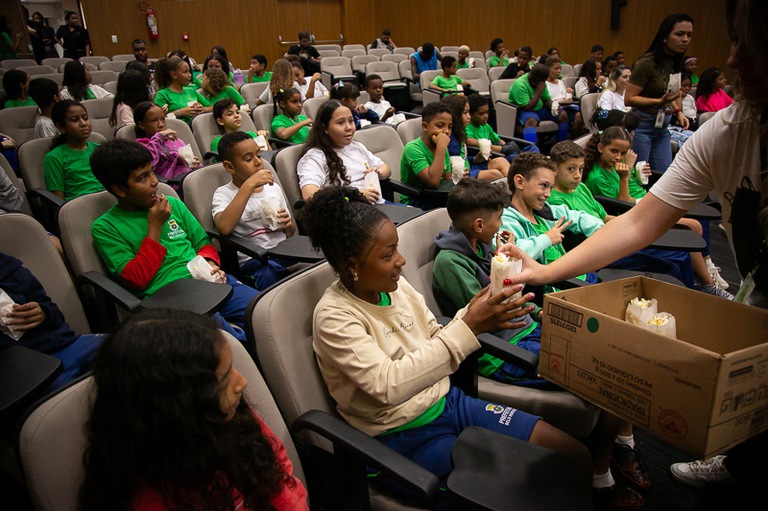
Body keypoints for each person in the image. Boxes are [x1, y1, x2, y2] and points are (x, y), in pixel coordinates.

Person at [499, 0, 767, 494]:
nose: (732, 60)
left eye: (755, 44)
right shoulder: (729, 131)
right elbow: (638, 223)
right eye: (734, 39)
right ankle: (740, 459)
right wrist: (542, 273)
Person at [301, 185, 592, 497]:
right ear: (351, 266)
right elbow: (387, 386)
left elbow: (435, 336)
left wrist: (477, 312)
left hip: (448, 403)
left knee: (575, 456)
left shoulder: (395, 288)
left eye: (397, 249)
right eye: (388, 255)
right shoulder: (335, 317)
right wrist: (468, 326)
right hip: (400, 434)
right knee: (525, 491)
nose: (401, 261)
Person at [78, 308, 308, 511]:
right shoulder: (153, 499)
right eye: (224, 378)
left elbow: (276, 466)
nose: (242, 383)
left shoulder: (232, 418)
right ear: (180, 406)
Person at [89, 140, 258, 343]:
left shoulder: (174, 204)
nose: (154, 182)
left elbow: (202, 243)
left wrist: (210, 263)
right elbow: (136, 278)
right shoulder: (105, 227)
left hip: (206, 281)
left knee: (261, 311)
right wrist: (155, 227)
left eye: (152, 172)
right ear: (120, 189)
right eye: (142, 178)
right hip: (169, 298)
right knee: (228, 339)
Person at [549, 140, 694, 288]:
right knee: (671, 267)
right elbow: (582, 238)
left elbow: (605, 217)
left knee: (681, 254)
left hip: (612, 236)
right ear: (554, 169)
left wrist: (631, 226)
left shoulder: (581, 188)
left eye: (581, 169)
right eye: (571, 169)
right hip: (600, 249)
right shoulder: (556, 202)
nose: (577, 176)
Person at [0, 252, 105, 392]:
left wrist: (43, 313)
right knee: (77, 395)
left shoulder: (10, 270)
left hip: (63, 345)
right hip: (21, 371)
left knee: (129, 350)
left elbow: (55, 314)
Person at [500, 153, 600, 289]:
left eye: (551, 188)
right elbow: (511, 254)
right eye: (543, 185)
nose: (548, 194)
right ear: (520, 182)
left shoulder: (546, 212)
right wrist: (546, 239)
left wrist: (602, 231)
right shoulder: (506, 220)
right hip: (563, 287)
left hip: (580, 275)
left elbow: (579, 217)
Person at [213, 131, 295, 290]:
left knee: (318, 255)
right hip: (253, 260)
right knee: (270, 275)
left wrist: (287, 224)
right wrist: (249, 185)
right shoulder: (224, 193)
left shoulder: (273, 188)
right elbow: (224, 227)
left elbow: (290, 232)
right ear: (230, 166)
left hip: (282, 252)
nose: (258, 162)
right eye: (248, 159)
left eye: (259, 155)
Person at [626, 13, 693, 172]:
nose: (685, 39)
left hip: (662, 126)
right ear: (664, 37)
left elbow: (666, 95)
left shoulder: (674, 61)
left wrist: (678, 113)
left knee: (663, 176)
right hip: (643, 126)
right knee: (639, 178)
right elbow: (629, 99)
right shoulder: (646, 64)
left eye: (689, 35)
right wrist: (658, 102)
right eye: (679, 34)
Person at [297, 99, 389, 203]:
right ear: (324, 128)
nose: (349, 127)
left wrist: (378, 173)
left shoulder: (356, 146)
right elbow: (309, 194)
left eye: (351, 121)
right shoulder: (315, 156)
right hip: (348, 211)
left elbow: (386, 168)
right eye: (340, 123)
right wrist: (355, 195)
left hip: (376, 204)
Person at [43, 100, 103, 201]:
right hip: (80, 206)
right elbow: (58, 200)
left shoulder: (99, 149)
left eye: (85, 118)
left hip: (107, 201)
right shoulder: (54, 157)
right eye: (75, 120)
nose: (83, 123)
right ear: (61, 127)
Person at [399, 101, 454, 209]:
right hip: (415, 200)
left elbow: (447, 178)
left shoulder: (440, 146)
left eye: (450, 127)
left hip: (436, 195)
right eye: (440, 126)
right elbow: (432, 181)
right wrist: (441, 147)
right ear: (425, 126)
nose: (446, 131)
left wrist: (459, 175)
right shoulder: (413, 148)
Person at [442, 94, 508, 180]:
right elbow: (448, 165)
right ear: (455, 115)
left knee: (501, 161)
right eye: (465, 113)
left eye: (469, 112)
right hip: (460, 175)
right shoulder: (448, 136)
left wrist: (475, 159)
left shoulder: (460, 131)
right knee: (495, 175)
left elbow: (463, 159)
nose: (469, 117)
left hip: (470, 167)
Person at [133, 102, 199, 182]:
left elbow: (190, 163)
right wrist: (158, 138)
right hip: (171, 185)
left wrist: (194, 163)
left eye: (163, 119)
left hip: (189, 178)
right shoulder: (140, 147)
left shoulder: (175, 141)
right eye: (154, 121)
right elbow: (149, 166)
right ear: (141, 125)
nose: (161, 125)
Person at [508, 63, 570, 145]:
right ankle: (531, 151)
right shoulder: (519, 85)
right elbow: (527, 107)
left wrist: (553, 107)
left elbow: (546, 99)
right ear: (535, 78)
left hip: (539, 109)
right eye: (542, 81)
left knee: (563, 115)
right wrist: (539, 91)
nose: (543, 82)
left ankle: (561, 145)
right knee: (531, 120)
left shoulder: (540, 82)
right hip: (522, 110)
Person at [154, 56, 210, 126]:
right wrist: (179, 113)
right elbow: (157, 119)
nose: (190, 75)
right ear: (174, 75)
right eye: (185, 72)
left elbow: (212, 107)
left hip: (197, 127)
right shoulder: (163, 94)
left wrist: (202, 109)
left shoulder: (191, 90)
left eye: (189, 71)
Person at [545, 55, 584, 135]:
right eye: (556, 68)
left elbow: (565, 97)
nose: (559, 71)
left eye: (560, 68)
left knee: (580, 116)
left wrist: (568, 93)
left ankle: (574, 140)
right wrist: (563, 101)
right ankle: (561, 143)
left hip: (567, 107)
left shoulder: (560, 82)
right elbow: (548, 102)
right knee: (563, 115)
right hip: (554, 109)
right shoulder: (544, 84)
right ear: (548, 69)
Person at [595, 65, 631, 130]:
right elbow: (607, 118)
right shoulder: (607, 94)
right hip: (613, 129)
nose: (628, 79)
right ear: (615, 79)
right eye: (625, 77)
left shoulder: (629, 93)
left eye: (630, 77)